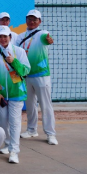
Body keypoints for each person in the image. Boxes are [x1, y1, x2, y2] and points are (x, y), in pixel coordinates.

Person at [16, 10, 58, 145]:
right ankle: (31, 130)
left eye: (35, 19)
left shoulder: (42, 34)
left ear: (39, 21)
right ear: (26, 20)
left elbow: (47, 39)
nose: (32, 21)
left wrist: (49, 40)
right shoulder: (20, 37)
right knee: (30, 105)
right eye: (29, 19)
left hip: (41, 75)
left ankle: (50, 134)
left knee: (46, 105)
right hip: (26, 75)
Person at [0, 26, 31, 164]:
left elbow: (25, 70)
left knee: (14, 122)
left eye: (5, 36)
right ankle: (7, 144)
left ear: (10, 37)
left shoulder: (19, 52)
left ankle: (14, 151)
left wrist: (14, 61)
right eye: (0, 37)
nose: (2, 39)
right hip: (1, 95)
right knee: (2, 122)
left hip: (16, 93)